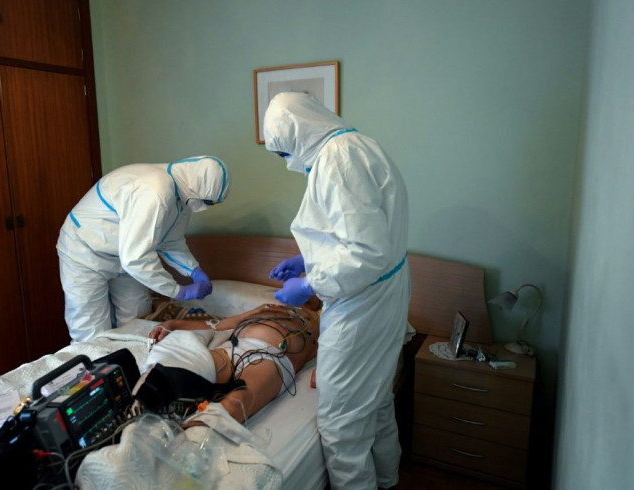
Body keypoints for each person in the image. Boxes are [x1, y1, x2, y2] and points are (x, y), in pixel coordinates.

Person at [263, 92, 410, 490]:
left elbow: (365, 251)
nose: (287, 162)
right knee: (377, 401)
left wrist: (310, 283)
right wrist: (308, 260)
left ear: (296, 132)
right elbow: (355, 235)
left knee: (341, 424)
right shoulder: (358, 145)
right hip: (384, 293)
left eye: (282, 153)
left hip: (361, 304)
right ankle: (387, 480)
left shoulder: (336, 160)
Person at [56, 156, 229, 343]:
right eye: (208, 202)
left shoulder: (182, 198)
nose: (206, 207)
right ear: (198, 189)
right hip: (85, 251)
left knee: (137, 320)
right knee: (90, 331)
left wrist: (193, 270)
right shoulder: (155, 192)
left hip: (124, 255)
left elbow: (170, 241)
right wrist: (178, 291)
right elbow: (135, 259)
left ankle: (133, 365)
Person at [141, 300, 320, 424]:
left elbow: (337, 352)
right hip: (232, 348)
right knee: (173, 372)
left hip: (271, 357)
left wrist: (323, 370)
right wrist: (173, 324)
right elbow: (219, 324)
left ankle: (190, 439)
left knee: (235, 403)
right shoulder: (269, 306)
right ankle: (142, 409)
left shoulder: (324, 319)